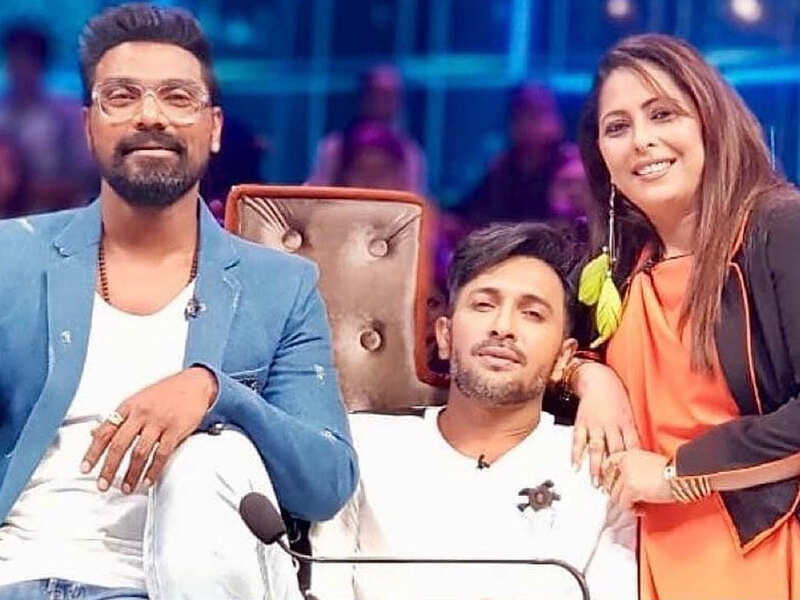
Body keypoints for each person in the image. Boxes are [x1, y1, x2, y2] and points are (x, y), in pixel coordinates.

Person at [0, 4, 356, 600]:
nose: (150, 115)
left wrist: (216, 393)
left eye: (177, 97)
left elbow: (325, 483)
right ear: (88, 126)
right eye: (122, 96)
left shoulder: (280, 286)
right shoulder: (11, 257)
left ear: (213, 128)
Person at [567, 33, 800, 600]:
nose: (642, 141)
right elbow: (523, 349)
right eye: (617, 127)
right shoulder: (617, 264)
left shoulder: (780, 229)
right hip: (640, 553)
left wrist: (678, 473)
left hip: (766, 547)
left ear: (710, 123)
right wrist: (587, 375)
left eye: (662, 114)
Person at [309, 223, 636, 600]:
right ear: (445, 336)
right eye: (484, 305)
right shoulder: (361, 446)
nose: (503, 327)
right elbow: (325, 584)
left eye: (532, 313)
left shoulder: (599, 469)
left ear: (564, 357)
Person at [0, 24, 97, 214]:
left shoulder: (67, 115)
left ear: (41, 65)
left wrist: (27, 190)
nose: (21, 70)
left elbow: (85, 176)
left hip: (53, 214)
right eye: (15, 60)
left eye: (27, 61)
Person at [454, 84, 566, 227]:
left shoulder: (571, 168)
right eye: (521, 114)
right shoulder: (502, 167)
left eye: (537, 113)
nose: (528, 122)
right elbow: (469, 213)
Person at [308, 65, 426, 195]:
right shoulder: (334, 147)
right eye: (377, 93)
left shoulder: (410, 152)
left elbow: (415, 199)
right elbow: (317, 195)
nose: (383, 102)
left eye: (390, 95)